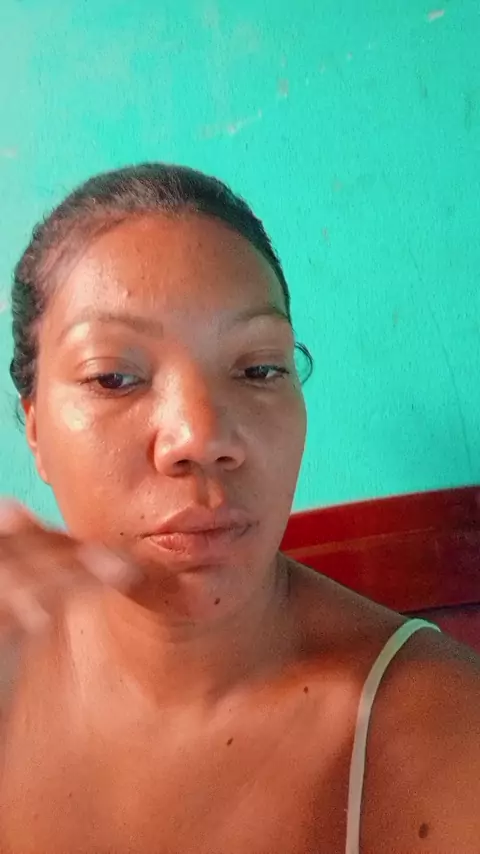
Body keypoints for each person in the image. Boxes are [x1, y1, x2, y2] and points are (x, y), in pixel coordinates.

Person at [0, 163, 479, 854]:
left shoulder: (440, 734)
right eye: (115, 377)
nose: (201, 438)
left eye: (258, 369)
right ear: (36, 429)